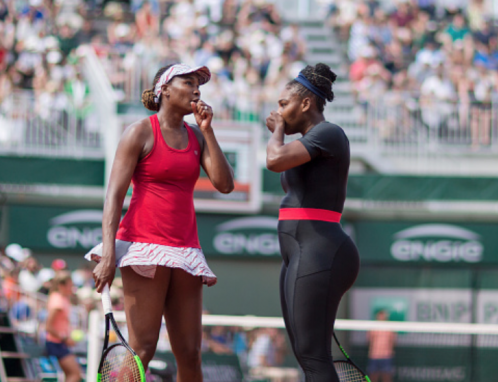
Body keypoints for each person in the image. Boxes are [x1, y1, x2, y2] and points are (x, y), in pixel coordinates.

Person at [89, 63, 234, 381]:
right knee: (142, 350)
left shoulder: (197, 135)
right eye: (188, 82)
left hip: (185, 250)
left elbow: (225, 185)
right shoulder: (140, 131)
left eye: (199, 84)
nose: (197, 89)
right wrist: (110, 254)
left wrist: (208, 130)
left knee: (191, 355)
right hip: (143, 246)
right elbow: (113, 197)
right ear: (164, 89)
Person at [265, 63, 360, 382]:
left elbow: (274, 161)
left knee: (313, 356)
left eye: (283, 104)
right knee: (307, 356)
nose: (278, 111)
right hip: (301, 250)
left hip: (320, 250)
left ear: (305, 103)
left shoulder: (329, 133)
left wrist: (277, 129)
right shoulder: (308, 143)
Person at [45, 271, 81, 382]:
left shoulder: (63, 299)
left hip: (59, 343)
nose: (72, 288)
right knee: (75, 374)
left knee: (71, 374)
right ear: (61, 286)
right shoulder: (58, 301)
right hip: (55, 343)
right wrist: (65, 339)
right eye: (70, 285)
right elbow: (48, 327)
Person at [367, 310, 397, 382]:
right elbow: (369, 340)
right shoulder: (373, 327)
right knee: (373, 377)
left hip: (386, 356)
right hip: (374, 356)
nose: (381, 317)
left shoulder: (390, 327)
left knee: (386, 377)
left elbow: (393, 341)